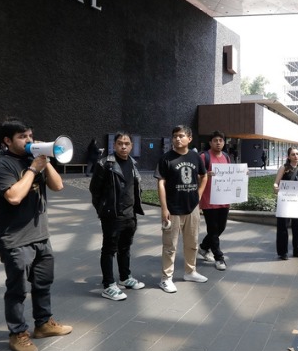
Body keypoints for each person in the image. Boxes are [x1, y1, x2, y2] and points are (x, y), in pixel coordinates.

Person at [0, 118, 72, 351]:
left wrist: (46, 161)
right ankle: (17, 334)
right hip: (15, 239)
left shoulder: (33, 160)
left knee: (43, 283)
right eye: (22, 137)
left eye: (30, 136)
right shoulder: (1, 165)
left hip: (41, 236)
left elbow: (58, 186)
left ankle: (43, 324)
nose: (28, 140)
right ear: (7, 140)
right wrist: (33, 169)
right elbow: (14, 197)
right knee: (17, 290)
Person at [89, 131, 146, 301]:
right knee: (109, 250)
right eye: (120, 143)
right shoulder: (105, 164)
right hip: (112, 215)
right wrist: (103, 210)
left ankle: (125, 277)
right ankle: (108, 285)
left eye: (127, 143)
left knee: (125, 248)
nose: (123, 146)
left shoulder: (133, 163)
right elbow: (95, 190)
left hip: (130, 214)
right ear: (114, 145)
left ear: (131, 146)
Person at [155, 125, 209, 293]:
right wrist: (164, 208)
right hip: (172, 208)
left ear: (189, 138)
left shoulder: (195, 156)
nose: (177, 139)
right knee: (170, 245)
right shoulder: (166, 158)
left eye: (181, 136)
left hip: (192, 208)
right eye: (175, 136)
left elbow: (204, 175)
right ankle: (166, 279)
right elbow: (161, 183)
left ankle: (190, 272)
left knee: (192, 242)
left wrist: (199, 195)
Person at [198, 131, 231, 271]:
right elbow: (196, 175)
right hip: (209, 199)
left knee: (221, 227)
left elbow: (231, 174)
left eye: (221, 140)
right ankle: (219, 257)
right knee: (213, 229)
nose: (218, 143)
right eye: (215, 140)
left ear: (224, 143)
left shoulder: (226, 157)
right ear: (210, 142)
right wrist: (206, 174)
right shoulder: (204, 156)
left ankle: (203, 247)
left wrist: (242, 174)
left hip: (224, 198)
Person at [273, 147, 298, 260]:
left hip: (297, 202)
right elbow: (276, 183)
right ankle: (283, 252)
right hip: (285, 202)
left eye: (297, 154)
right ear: (288, 156)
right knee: (283, 227)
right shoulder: (284, 168)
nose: (295, 156)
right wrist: (276, 188)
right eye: (293, 154)